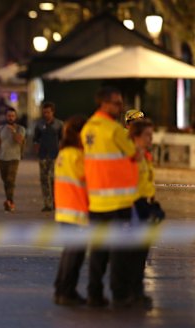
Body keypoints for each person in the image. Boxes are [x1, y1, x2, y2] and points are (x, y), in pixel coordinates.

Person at [81, 86, 139, 308]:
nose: (120, 107)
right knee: (119, 252)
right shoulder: (114, 130)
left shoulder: (88, 128)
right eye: (116, 103)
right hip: (118, 201)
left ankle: (94, 293)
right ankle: (119, 294)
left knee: (98, 251)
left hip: (96, 200)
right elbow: (134, 156)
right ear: (103, 103)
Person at [53, 116, 89, 306]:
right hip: (76, 210)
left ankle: (62, 289)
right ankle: (66, 291)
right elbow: (87, 179)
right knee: (74, 254)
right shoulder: (75, 155)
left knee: (71, 252)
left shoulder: (64, 153)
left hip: (66, 210)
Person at [128, 118, 160, 307]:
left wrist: (152, 203)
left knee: (142, 254)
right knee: (133, 254)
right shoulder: (130, 156)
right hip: (133, 208)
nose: (151, 139)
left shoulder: (144, 155)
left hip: (144, 207)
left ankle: (137, 292)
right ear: (136, 136)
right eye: (148, 135)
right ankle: (129, 294)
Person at [33, 101, 64, 212]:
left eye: (48, 112)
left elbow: (63, 140)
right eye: (44, 112)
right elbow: (35, 140)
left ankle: (57, 202)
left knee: (54, 180)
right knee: (44, 180)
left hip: (55, 156)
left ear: (53, 112)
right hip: (43, 156)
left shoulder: (59, 124)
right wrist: (37, 151)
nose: (46, 114)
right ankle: (47, 204)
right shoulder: (39, 124)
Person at [0, 107, 26, 212]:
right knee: (5, 181)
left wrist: (13, 131)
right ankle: (8, 200)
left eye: (13, 116)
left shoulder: (20, 129)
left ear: (15, 117)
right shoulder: (0, 129)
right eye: (9, 116)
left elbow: (19, 141)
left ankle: (10, 201)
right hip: (2, 158)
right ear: (6, 117)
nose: (11, 118)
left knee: (10, 180)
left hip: (14, 158)